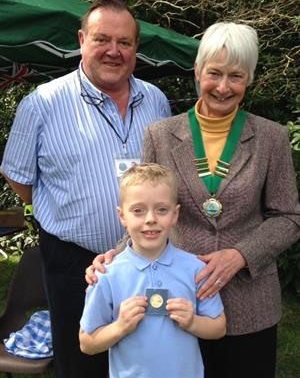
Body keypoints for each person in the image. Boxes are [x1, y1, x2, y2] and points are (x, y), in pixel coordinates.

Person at [87, 22, 300, 378]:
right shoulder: (161, 134)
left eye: (236, 76)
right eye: (214, 73)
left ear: (248, 79)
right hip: (177, 303)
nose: (222, 86)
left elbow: (289, 216)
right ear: (198, 71)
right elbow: (147, 203)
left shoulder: (271, 138)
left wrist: (240, 255)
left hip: (251, 302)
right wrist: (114, 256)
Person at [0, 0, 171, 378]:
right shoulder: (42, 103)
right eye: (102, 39)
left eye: (124, 42)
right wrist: (63, 210)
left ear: (135, 48)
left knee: (145, 352)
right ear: (82, 40)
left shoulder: (156, 100)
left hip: (145, 256)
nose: (114, 50)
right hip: (72, 261)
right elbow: (17, 174)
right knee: (81, 360)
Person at [79, 163, 226, 378]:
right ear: (122, 216)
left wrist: (193, 322)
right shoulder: (106, 275)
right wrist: (120, 326)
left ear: (175, 214)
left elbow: (219, 327)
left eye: (162, 209)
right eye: (138, 210)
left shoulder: (196, 268)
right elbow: (87, 343)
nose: (150, 219)